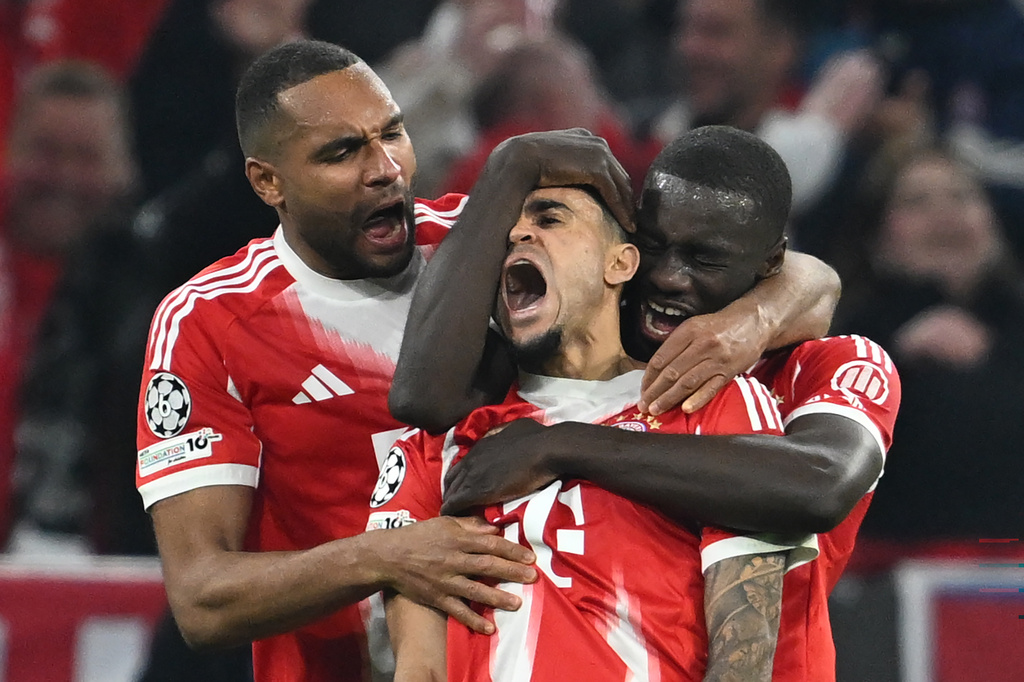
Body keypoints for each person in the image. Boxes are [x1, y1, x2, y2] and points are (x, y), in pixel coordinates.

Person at [392, 126, 900, 681]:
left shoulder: (824, 365)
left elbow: (818, 484)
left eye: (704, 260)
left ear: (769, 264)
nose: (665, 277)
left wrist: (558, 445)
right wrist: (514, 161)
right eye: (654, 246)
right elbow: (425, 396)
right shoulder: (555, 363)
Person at [134, 40, 560, 682]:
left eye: (392, 132)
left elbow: (708, 261)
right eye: (342, 152)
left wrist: (769, 301)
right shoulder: (209, 323)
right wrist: (389, 557)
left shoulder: (497, 243)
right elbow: (202, 598)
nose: (386, 167)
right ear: (267, 181)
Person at [1, 60, 136, 551]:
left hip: (109, 578)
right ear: (10, 155)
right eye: (45, 151)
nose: (63, 176)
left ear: (124, 172)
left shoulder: (156, 295)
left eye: (86, 156)